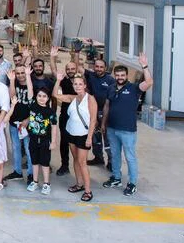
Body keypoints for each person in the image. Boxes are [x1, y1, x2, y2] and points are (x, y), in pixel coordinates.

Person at [102, 53, 153, 196]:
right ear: (114, 75)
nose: (119, 78)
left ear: (127, 76)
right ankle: (116, 178)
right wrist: (103, 123)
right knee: (115, 155)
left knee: (130, 157)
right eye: (117, 75)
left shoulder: (134, 88)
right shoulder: (111, 88)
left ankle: (132, 183)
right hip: (112, 128)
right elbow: (107, 106)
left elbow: (149, 83)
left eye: (122, 75)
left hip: (128, 131)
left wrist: (145, 66)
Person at [54, 69, 97, 202]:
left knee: (82, 162)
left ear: (85, 85)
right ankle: (79, 184)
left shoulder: (90, 99)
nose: (77, 86)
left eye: (80, 84)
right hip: (71, 133)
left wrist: (89, 137)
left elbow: (93, 120)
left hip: (83, 135)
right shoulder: (72, 98)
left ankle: (88, 190)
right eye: (75, 84)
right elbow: (55, 94)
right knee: (76, 160)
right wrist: (58, 80)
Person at [82, 54, 115, 167]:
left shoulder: (110, 80)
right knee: (95, 137)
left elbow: (109, 101)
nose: (99, 69)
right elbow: (78, 68)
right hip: (92, 111)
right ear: (94, 67)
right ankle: (98, 158)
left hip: (106, 113)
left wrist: (104, 120)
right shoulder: (91, 76)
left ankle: (111, 161)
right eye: (97, 66)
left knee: (108, 139)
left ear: (105, 68)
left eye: (101, 67)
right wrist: (76, 53)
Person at [24, 87, 57, 194]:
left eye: (44, 96)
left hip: (45, 141)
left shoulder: (50, 112)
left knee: (45, 163)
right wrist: (28, 75)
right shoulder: (32, 105)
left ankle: (46, 184)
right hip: (33, 139)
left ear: (48, 98)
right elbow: (30, 92)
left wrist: (53, 142)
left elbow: (54, 127)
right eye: (39, 96)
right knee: (34, 161)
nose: (41, 98)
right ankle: (35, 181)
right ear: (36, 97)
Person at [51, 50, 78, 176]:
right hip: (65, 116)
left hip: (79, 117)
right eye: (69, 69)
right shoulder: (65, 81)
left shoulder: (81, 82)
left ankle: (78, 165)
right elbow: (54, 71)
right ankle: (65, 165)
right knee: (64, 141)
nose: (71, 70)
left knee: (79, 142)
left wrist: (76, 54)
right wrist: (52, 57)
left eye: (73, 68)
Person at [5, 64, 34, 182]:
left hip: (27, 124)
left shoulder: (32, 85)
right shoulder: (14, 84)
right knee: (16, 148)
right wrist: (12, 81)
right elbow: (12, 97)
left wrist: (28, 120)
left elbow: (31, 96)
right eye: (18, 73)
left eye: (23, 73)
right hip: (14, 122)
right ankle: (17, 172)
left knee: (28, 149)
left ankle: (31, 174)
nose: (20, 75)